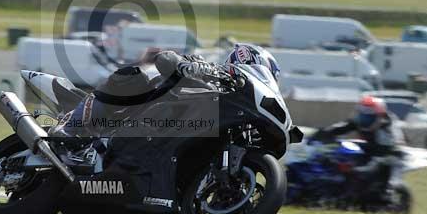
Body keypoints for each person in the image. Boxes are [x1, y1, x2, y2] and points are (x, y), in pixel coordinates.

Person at [49, 43, 280, 142]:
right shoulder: (206, 68)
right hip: (136, 112)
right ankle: (70, 125)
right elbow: (164, 57)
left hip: (159, 137)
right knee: (134, 75)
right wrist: (185, 65)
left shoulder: (231, 107)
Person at [310, 96, 400, 189]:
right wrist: (320, 134)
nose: (364, 119)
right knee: (342, 148)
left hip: (387, 153)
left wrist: (355, 170)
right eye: (362, 115)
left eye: (368, 117)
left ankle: (385, 191)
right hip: (371, 147)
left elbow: (379, 156)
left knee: (371, 173)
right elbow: (339, 128)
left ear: (379, 116)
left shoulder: (385, 130)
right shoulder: (359, 121)